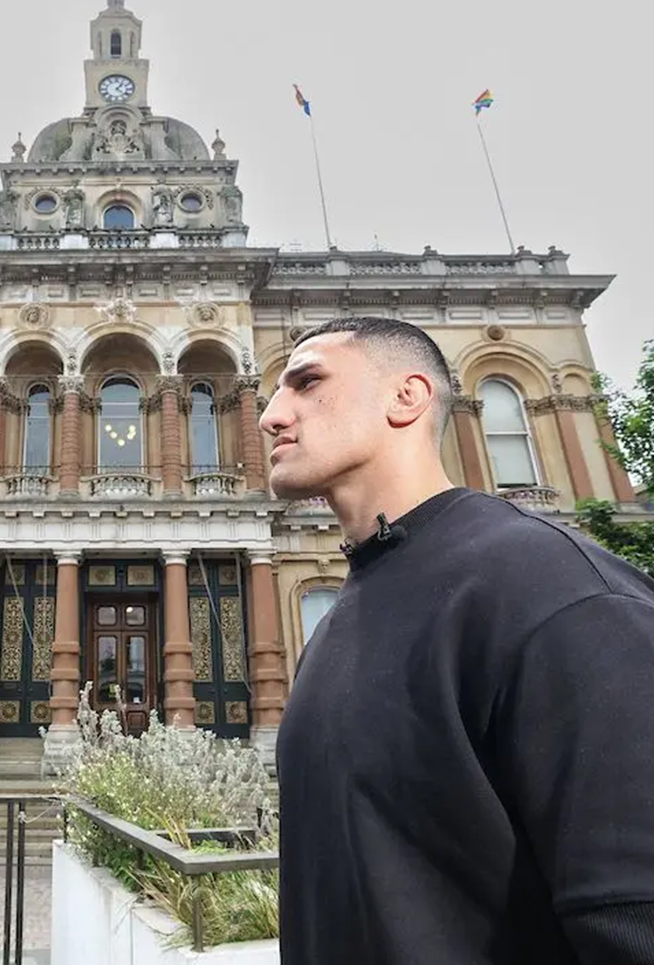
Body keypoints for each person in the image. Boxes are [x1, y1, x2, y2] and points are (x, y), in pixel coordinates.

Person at [259, 316, 654, 965]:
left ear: (406, 397)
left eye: (306, 382)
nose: (272, 414)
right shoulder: (336, 625)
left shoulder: (555, 594)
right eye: (274, 392)